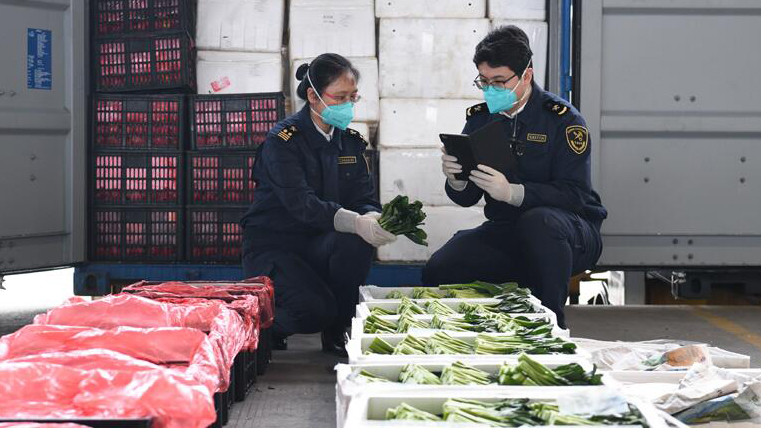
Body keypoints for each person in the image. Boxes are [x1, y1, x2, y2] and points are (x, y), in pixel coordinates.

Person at [421, 26, 608, 328]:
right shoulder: (482, 120)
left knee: (540, 222)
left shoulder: (563, 120)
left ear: (527, 76)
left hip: (570, 234)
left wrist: (513, 193)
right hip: (509, 229)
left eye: (499, 81)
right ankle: (487, 327)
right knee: (440, 268)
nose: (490, 89)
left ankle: (551, 327)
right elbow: (467, 197)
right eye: (484, 81)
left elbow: (575, 195)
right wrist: (456, 178)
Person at [240, 53, 396, 356]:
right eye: (340, 97)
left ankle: (337, 331)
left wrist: (373, 217)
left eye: (353, 97)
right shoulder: (282, 141)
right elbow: (302, 205)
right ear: (313, 96)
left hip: (317, 246)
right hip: (276, 247)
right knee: (312, 312)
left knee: (356, 243)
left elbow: (363, 196)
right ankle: (262, 325)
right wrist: (354, 221)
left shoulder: (349, 141)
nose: (348, 104)